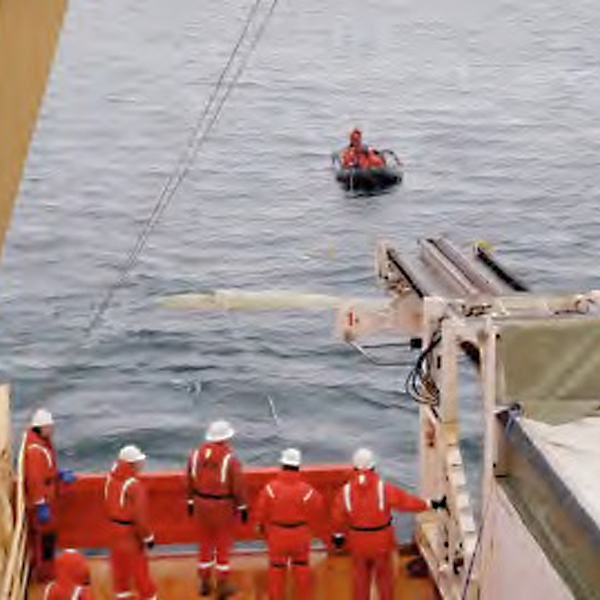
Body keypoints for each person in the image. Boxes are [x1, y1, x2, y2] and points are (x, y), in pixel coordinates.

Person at [332, 448, 447, 600]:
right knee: (384, 579)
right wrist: (431, 504)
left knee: (360, 580)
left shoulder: (345, 492)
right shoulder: (383, 489)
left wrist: (338, 536)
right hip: (381, 541)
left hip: (358, 541)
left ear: (354, 468)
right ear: (373, 467)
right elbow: (407, 503)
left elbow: (337, 518)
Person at [186, 420, 247, 599]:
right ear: (226, 438)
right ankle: (222, 584)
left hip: (200, 503)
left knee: (205, 543)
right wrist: (242, 507)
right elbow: (238, 486)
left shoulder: (195, 455)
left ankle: (204, 582)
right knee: (222, 544)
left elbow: (188, 480)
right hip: (222, 506)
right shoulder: (230, 459)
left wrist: (190, 501)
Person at [255, 448, 325, 600]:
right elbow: (318, 507)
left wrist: (260, 526)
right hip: (300, 534)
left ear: (282, 465)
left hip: (277, 535)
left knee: (276, 571)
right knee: (302, 569)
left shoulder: (270, 489)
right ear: (298, 466)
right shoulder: (307, 491)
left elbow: (260, 511)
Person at [24, 408, 77, 582]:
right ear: (41, 428)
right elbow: (34, 478)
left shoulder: (41, 445)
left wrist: (58, 473)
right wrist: (41, 504)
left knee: (49, 539)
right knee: (45, 540)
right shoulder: (35, 450)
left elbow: (46, 468)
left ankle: (48, 570)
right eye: (49, 426)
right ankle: (45, 575)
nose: (52, 429)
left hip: (49, 495)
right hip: (43, 500)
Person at [104, 445, 157, 600]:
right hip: (129, 534)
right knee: (140, 571)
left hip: (113, 531)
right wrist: (148, 538)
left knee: (119, 571)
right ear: (133, 464)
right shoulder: (134, 486)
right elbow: (140, 518)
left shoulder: (110, 479)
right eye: (140, 462)